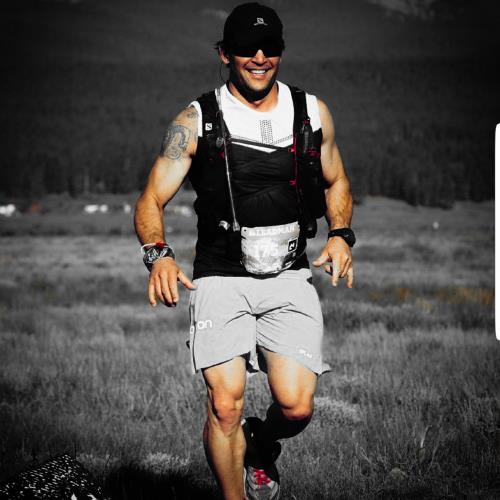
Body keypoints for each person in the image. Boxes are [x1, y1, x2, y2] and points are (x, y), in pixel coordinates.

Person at [134, 3, 354, 499]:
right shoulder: (195, 120)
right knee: (225, 404)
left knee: (296, 407)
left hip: (289, 275)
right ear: (225, 54)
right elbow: (150, 198)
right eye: (246, 48)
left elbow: (337, 180)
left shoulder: (312, 113)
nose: (259, 57)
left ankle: (261, 442)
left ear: (281, 51)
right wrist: (158, 254)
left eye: (269, 47)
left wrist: (341, 233)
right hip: (220, 275)